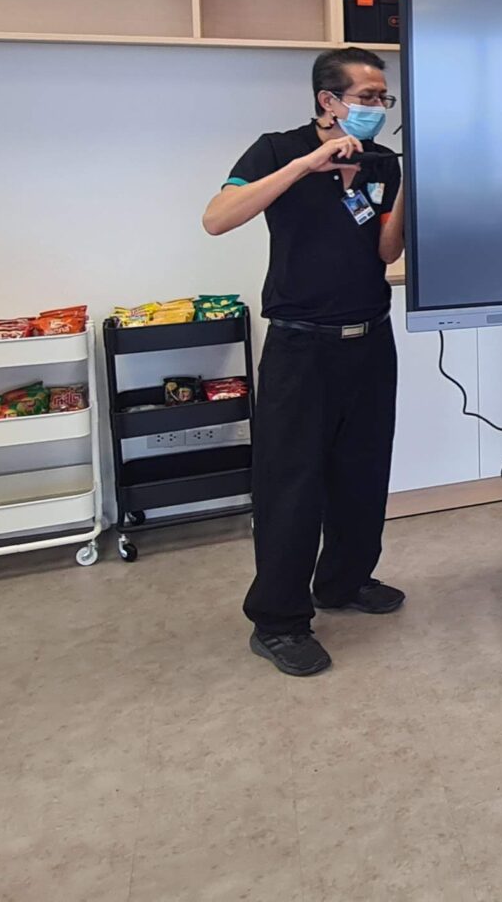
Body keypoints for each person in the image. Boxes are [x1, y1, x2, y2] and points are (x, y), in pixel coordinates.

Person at [203, 47, 408, 677]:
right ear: (328, 100)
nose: (378, 107)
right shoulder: (277, 149)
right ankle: (278, 621)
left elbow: (385, 250)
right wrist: (305, 167)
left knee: (362, 473)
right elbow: (217, 218)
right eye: (367, 97)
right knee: (291, 486)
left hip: (369, 339)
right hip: (300, 347)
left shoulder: (381, 162)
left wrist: (413, 188)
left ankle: (344, 580)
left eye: (383, 98)